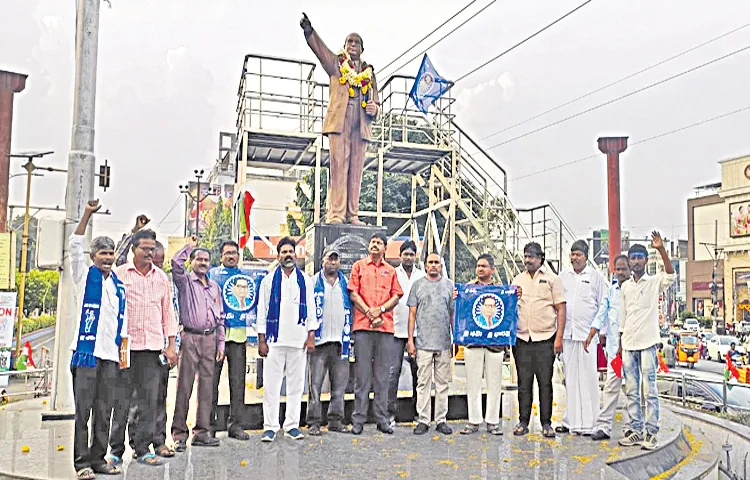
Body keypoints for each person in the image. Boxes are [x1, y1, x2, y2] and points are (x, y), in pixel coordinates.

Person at [300, 13, 379, 225]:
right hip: (340, 121)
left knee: (356, 170)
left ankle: (352, 214)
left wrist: (374, 108)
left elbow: (376, 102)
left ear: (363, 49)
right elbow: (321, 52)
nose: (353, 45)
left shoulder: (368, 73)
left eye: (357, 43)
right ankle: (336, 213)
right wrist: (310, 31)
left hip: (360, 124)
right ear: (344, 46)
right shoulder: (336, 64)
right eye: (350, 42)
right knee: (338, 167)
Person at [69, 200, 128, 479]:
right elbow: (74, 245)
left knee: (104, 411)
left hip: (110, 356)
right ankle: (81, 463)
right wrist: (87, 214)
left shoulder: (118, 286)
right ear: (93, 257)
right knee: (84, 412)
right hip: (86, 354)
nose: (107, 258)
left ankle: (99, 459)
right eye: (102, 253)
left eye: (111, 253)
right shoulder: (83, 276)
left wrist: (123, 353)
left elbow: (121, 322)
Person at [111, 229, 178, 466]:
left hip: (151, 348)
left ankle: (142, 447)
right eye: (145, 248)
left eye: (153, 249)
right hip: (125, 348)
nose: (150, 253)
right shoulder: (119, 275)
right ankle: (115, 450)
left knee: (149, 401)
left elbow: (168, 313)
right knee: (121, 400)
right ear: (134, 249)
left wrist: (171, 345)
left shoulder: (161, 278)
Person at [618, 232, 675, 451]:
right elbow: (624, 318)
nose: (636, 261)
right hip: (629, 344)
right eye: (633, 258)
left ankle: (651, 433)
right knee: (631, 391)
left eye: (640, 257)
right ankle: (635, 430)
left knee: (649, 390)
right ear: (629, 261)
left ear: (646, 261)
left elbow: (670, 274)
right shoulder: (625, 287)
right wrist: (621, 343)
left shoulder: (653, 283)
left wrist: (661, 249)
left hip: (648, 343)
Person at [256, 237, 317, 441]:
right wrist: (261, 339)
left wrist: (311, 336)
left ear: (296, 254)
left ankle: (291, 425)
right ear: (278, 255)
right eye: (284, 252)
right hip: (274, 341)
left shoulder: (305, 281)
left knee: (296, 385)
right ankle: (270, 426)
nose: (288, 255)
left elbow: (311, 310)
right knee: (271, 385)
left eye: (291, 251)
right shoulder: (268, 281)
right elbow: (262, 310)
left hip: (298, 340)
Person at [171, 236, 225, 450]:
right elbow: (175, 263)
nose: (203, 263)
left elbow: (220, 317)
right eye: (199, 259)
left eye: (206, 260)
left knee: (207, 387)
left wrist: (220, 343)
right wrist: (189, 246)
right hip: (190, 338)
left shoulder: (214, 288)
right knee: (184, 386)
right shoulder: (185, 282)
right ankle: (179, 434)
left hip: (210, 339)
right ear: (192, 262)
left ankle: (202, 432)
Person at [348, 232, 404, 435]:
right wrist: (370, 313)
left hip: (385, 328)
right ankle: (359, 419)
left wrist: (379, 311)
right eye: (372, 242)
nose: (375, 245)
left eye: (379, 243)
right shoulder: (359, 266)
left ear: (385, 248)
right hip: (363, 327)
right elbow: (353, 293)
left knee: (382, 376)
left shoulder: (391, 271)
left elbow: (396, 295)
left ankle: (382, 419)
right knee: (362, 376)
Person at [511, 242, 566, 438]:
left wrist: (558, 338)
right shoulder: (517, 279)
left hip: (545, 339)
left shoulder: (552, 279)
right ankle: (523, 421)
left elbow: (560, 308)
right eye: (525, 256)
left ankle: (546, 423)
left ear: (540, 258)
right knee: (524, 383)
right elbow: (510, 307)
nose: (528, 260)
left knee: (545, 383)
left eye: (532, 257)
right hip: (522, 338)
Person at [557, 240, 607, 436]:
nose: (574, 258)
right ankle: (570, 422)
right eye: (572, 254)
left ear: (586, 256)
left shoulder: (595, 277)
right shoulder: (563, 277)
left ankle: (590, 423)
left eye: (578, 254)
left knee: (588, 379)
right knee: (570, 379)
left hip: (588, 336)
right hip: (568, 334)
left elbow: (603, 305)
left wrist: (600, 332)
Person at [459, 254, 509, 436]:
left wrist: (515, 295)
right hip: (473, 342)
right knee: (472, 383)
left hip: (495, 344)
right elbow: (461, 312)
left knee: (494, 383)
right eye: (478, 266)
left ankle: (493, 421)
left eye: (484, 266)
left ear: (492, 270)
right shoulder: (468, 289)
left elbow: (508, 314)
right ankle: (473, 420)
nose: (480, 269)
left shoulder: (501, 291)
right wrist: (458, 296)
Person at [406, 253, 454, 435]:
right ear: (425, 266)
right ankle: (423, 419)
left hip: (443, 343)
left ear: (441, 265)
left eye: (437, 263)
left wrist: (454, 339)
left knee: (442, 384)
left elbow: (452, 315)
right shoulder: (418, 285)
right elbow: (411, 315)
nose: (434, 265)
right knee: (423, 383)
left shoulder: (449, 286)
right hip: (423, 343)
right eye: (430, 263)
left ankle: (441, 419)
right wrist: (411, 341)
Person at [208, 240, 251, 441]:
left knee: (238, 382)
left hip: (238, 337)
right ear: (221, 257)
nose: (231, 256)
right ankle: (209, 426)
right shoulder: (212, 275)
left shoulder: (246, 278)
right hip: (216, 337)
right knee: (211, 383)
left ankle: (236, 425)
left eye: (234, 253)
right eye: (227, 253)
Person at [584, 255, 631, 441]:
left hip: (633, 350)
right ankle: (604, 426)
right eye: (617, 269)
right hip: (615, 353)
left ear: (630, 269)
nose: (620, 273)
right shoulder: (611, 292)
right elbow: (602, 313)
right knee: (611, 387)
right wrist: (591, 334)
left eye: (623, 269)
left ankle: (630, 427)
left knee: (632, 390)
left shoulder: (634, 290)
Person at [307, 247, 352, 436]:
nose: (332, 263)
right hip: (319, 341)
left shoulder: (346, 283)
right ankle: (314, 422)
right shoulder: (312, 283)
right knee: (315, 385)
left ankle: (335, 420)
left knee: (339, 386)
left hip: (340, 342)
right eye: (329, 259)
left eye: (336, 260)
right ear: (322, 261)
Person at [389, 241, 424, 426]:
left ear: (415, 256)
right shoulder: (393, 274)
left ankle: (419, 414)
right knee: (392, 373)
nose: (408, 257)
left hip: (418, 332)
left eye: (411, 254)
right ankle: (390, 415)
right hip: (395, 330)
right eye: (405, 254)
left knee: (418, 374)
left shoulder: (422, 275)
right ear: (400, 255)